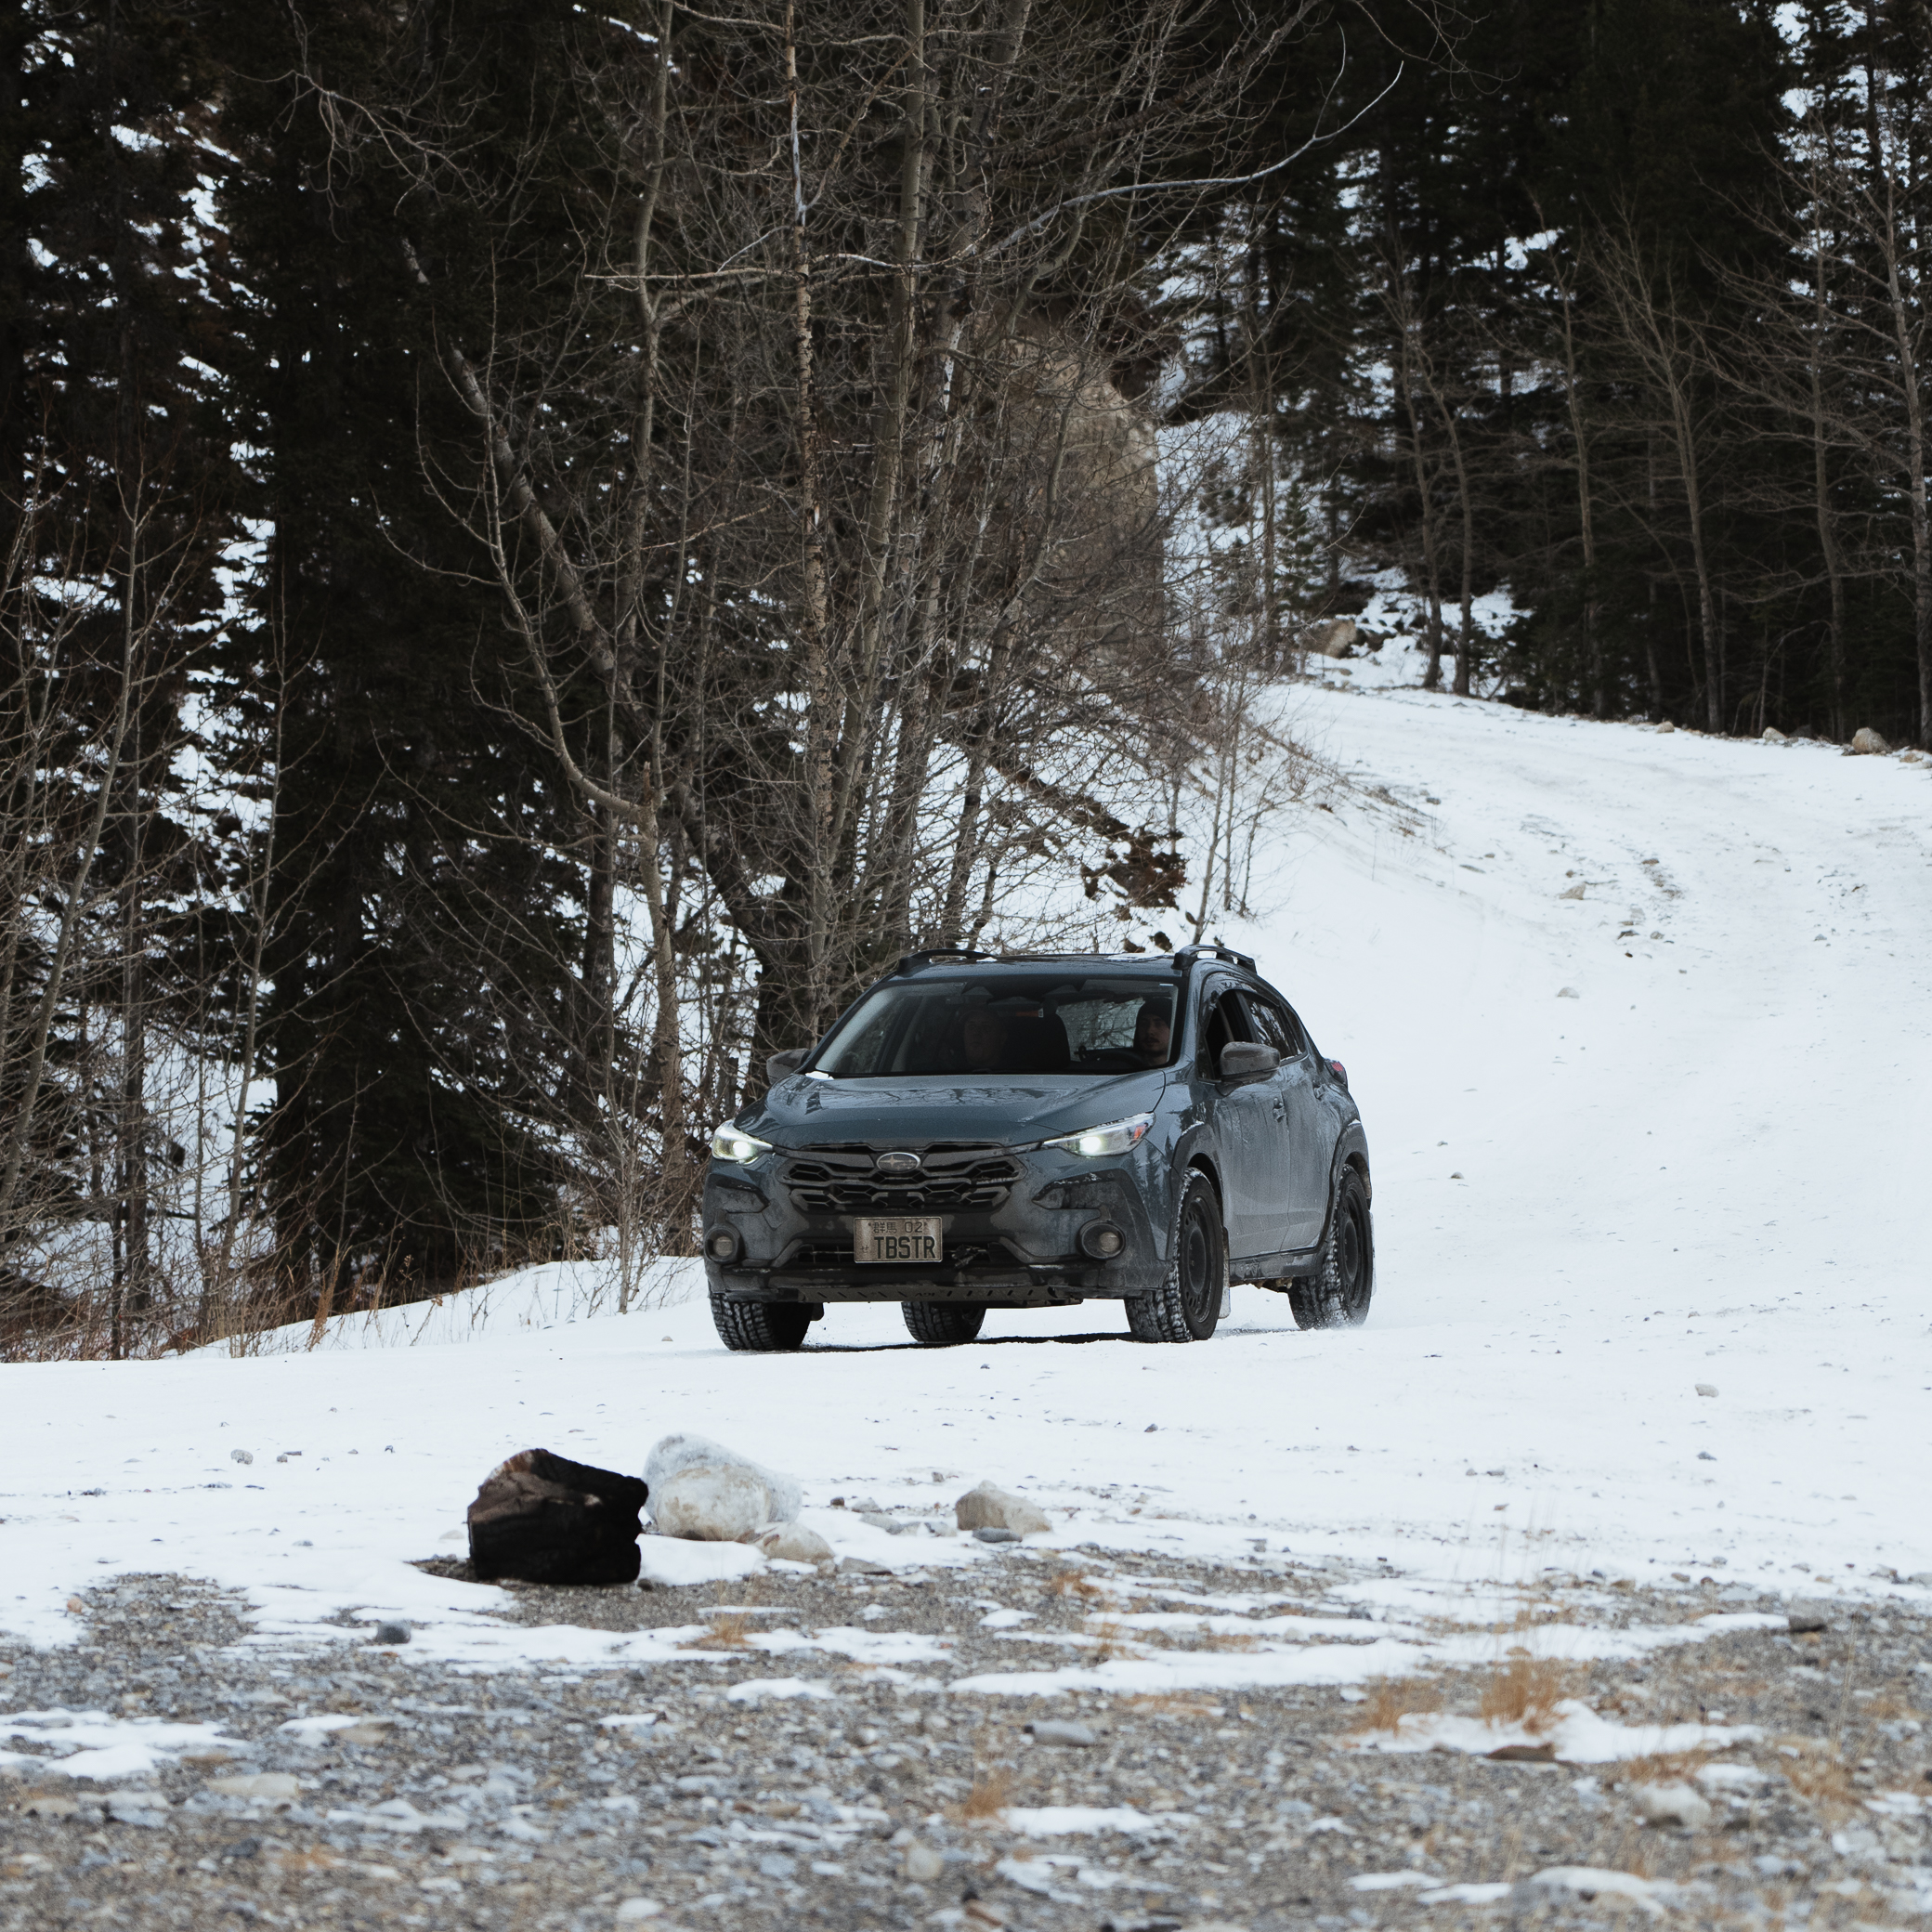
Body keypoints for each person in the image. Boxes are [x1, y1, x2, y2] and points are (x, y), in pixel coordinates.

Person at [959, 1005, 1009, 1072]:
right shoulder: (946, 1072)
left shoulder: (1017, 1077)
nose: (976, 1033)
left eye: (985, 1027)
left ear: (1002, 1037)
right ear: (963, 1035)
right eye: (971, 1027)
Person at [1131, 1000, 1172, 1066]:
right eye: (1144, 1024)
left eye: (1158, 1024)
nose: (1149, 1031)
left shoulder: (1188, 1072)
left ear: (1173, 1029)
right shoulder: (1122, 1064)